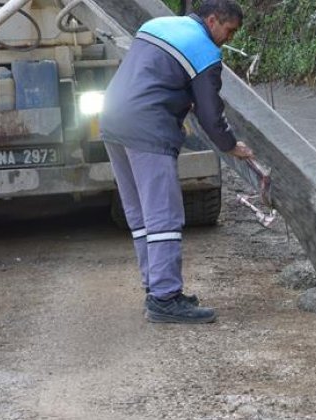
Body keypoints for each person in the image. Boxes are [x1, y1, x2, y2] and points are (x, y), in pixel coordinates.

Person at [100, 0, 254, 323]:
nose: (229, 39)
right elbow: (211, 116)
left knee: (140, 214)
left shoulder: (157, 26)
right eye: (229, 31)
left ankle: (154, 287)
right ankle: (166, 298)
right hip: (147, 127)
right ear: (213, 21)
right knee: (164, 215)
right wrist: (231, 146)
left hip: (112, 120)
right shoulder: (205, 50)